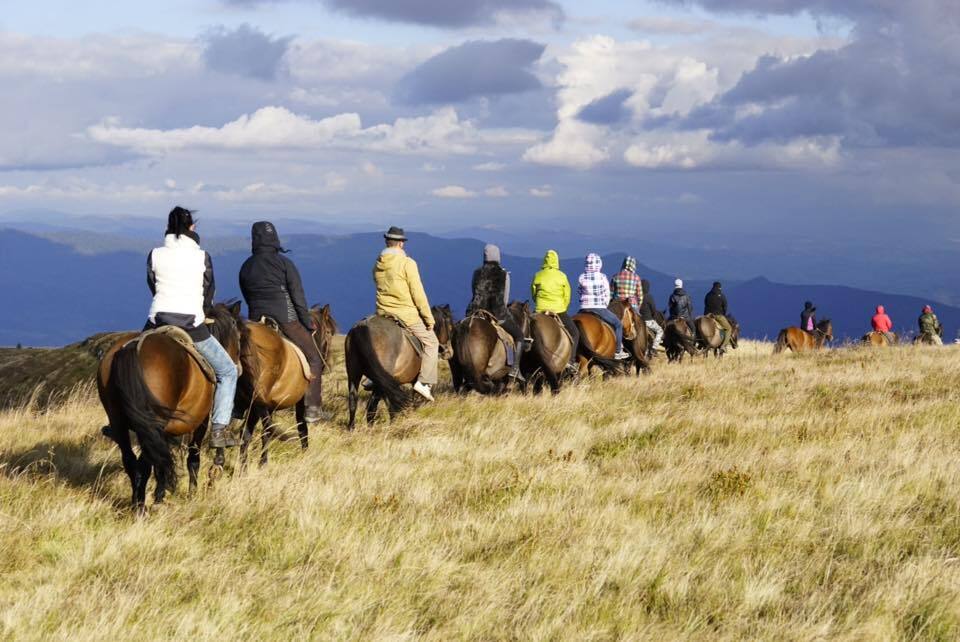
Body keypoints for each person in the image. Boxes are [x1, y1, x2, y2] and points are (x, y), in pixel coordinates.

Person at [146, 206, 238, 448]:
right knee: (228, 371)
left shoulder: (154, 254)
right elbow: (209, 291)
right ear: (192, 228)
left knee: (125, 360)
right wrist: (202, 308)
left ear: (167, 227)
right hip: (191, 323)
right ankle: (219, 429)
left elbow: (153, 285)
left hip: (158, 319)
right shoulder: (202, 256)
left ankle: (120, 422)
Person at [239, 221, 326, 423]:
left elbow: (246, 293)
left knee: (240, 358)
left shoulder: (246, 265)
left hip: (255, 319)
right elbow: (297, 295)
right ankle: (312, 407)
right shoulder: (284, 263)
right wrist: (306, 322)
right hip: (285, 317)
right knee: (314, 358)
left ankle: (238, 404)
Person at [373, 226, 438, 402]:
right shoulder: (408, 263)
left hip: (382, 314)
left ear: (387, 242)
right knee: (432, 343)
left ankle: (372, 376)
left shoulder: (378, 263)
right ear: (401, 244)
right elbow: (418, 293)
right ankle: (424, 383)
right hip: (406, 315)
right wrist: (428, 318)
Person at [467, 244, 530, 381]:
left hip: (476, 312)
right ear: (498, 256)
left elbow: (474, 291)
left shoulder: (476, 273)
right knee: (519, 335)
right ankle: (515, 370)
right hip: (498, 314)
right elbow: (505, 298)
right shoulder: (503, 274)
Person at [530, 249, 580, 373]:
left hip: (540, 310)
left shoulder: (538, 275)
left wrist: (539, 304)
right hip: (558, 310)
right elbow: (567, 295)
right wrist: (563, 307)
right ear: (557, 261)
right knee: (574, 333)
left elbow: (533, 293)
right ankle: (571, 362)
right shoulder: (562, 276)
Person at [578, 253, 630, 360]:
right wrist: (604, 305)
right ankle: (618, 351)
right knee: (618, 324)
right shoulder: (602, 277)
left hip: (583, 308)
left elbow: (579, 291)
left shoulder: (582, 277)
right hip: (599, 308)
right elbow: (607, 294)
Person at [704, 281, 734, 349]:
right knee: (729, 328)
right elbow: (725, 306)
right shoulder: (722, 295)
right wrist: (723, 314)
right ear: (720, 287)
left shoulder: (708, 294)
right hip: (718, 316)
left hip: (708, 315)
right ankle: (723, 346)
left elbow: (705, 304)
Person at [639, 279, 663, 353]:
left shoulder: (637, 296)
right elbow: (653, 309)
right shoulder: (649, 297)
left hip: (639, 321)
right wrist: (653, 316)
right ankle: (654, 347)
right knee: (660, 331)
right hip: (648, 321)